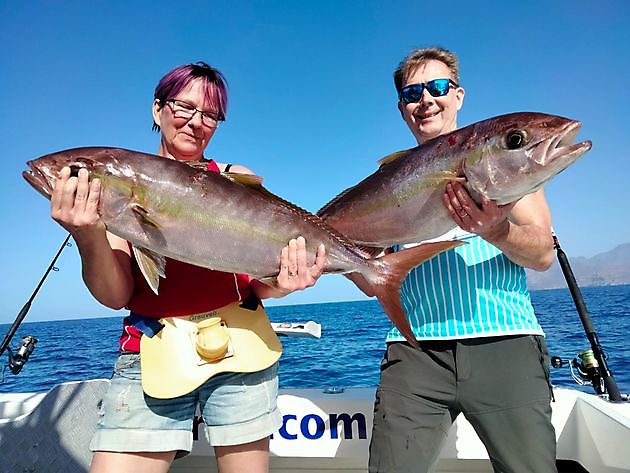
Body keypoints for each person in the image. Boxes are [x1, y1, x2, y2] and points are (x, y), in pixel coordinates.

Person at [49, 62, 326, 473]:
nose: (196, 123)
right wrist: (87, 236)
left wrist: (285, 284)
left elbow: (258, 284)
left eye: (210, 114)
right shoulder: (127, 185)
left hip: (242, 348)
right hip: (153, 348)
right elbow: (115, 295)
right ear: (157, 108)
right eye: (184, 107)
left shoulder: (236, 179)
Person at [357, 48, 557, 472]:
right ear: (402, 108)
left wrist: (496, 230)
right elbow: (369, 270)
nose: (426, 99)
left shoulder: (505, 162)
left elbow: (541, 254)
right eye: (413, 92)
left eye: (438, 87)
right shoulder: (386, 182)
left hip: (506, 342)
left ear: (458, 96)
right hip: (415, 352)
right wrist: (345, 265)